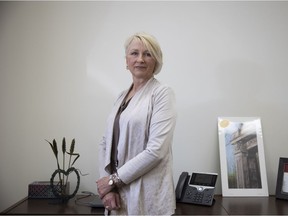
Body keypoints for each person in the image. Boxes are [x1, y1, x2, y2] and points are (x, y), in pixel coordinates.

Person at [96, 32, 177, 215]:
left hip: (148, 197)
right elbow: (105, 142)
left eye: (148, 54)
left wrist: (112, 181)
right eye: (134, 53)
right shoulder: (120, 97)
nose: (140, 59)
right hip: (116, 196)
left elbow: (156, 150)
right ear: (126, 61)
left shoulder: (162, 94)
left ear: (156, 61)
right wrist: (107, 185)